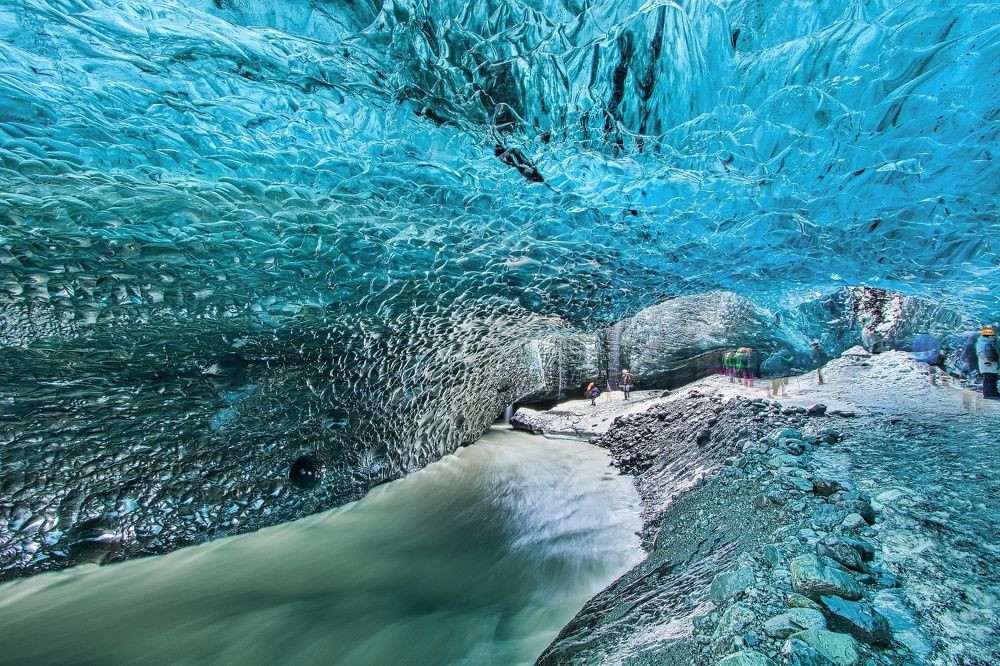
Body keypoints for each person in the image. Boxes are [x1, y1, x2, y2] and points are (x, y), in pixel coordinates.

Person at [975, 326, 999, 399]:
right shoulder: (982, 343)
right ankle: (987, 394)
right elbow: (981, 353)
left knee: (993, 378)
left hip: (991, 363)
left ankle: (994, 392)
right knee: (988, 378)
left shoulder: (986, 342)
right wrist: (986, 361)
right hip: (987, 364)